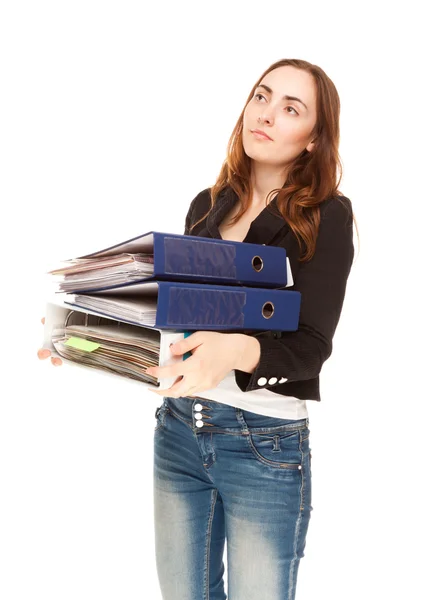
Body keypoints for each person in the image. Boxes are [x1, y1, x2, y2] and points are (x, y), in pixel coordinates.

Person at [39, 58, 357, 599]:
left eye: (290, 108)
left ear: (312, 139)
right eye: (261, 96)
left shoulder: (326, 216)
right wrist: (83, 332)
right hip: (180, 430)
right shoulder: (207, 206)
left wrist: (234, 349)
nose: (267, 114)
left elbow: (311, 348)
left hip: (264, 444)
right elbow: (177, 316)